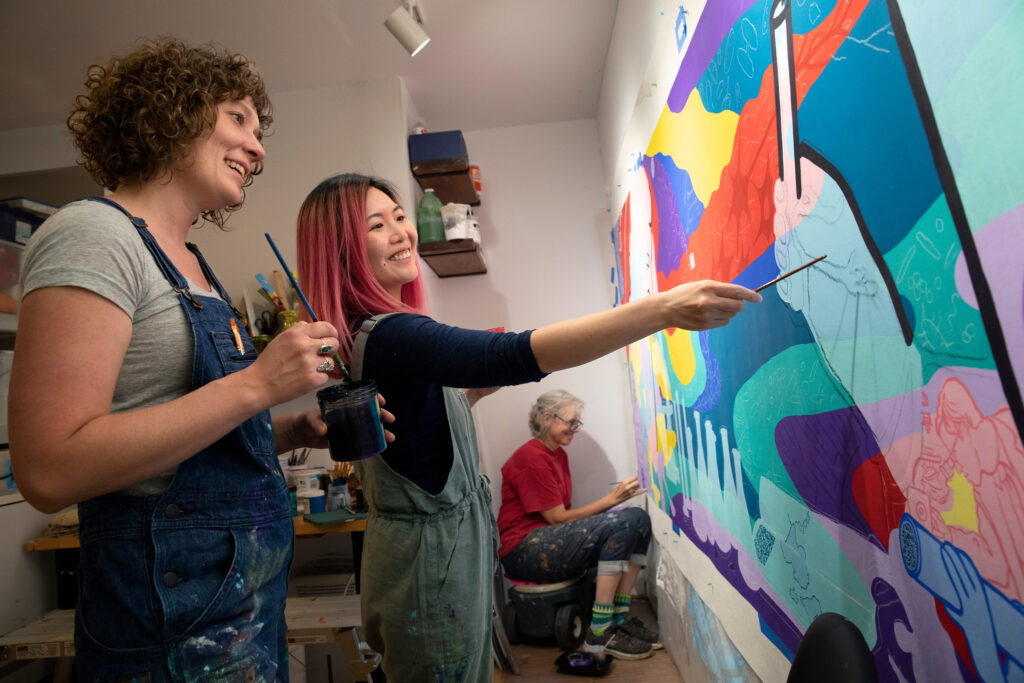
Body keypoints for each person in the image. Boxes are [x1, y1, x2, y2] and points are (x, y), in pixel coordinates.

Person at [7, 39, 379, 681]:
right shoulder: (93, 235)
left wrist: (287, 428)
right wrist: (257, 386)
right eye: (239, 119)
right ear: (170, 115)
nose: (258, 149)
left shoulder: (193, 264)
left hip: (243, 613)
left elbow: (178, 428)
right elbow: (48, 468)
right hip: (167, 629)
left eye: (258, 132)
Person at [296, 173, 762, 682]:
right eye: (376, 225)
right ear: (341, 251)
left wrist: (473, 390)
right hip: (428, 569)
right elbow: (515, 353)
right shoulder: (393, 335)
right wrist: (662, 308)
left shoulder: (377, 336)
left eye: (400, 216)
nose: (401, 232)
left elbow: (419, 427)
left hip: (435, 560)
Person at [497, 390, 659, 660]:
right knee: (623, 522)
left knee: (639, 519)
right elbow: (558, 518)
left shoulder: (558, 455)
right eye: (571, 422)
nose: (575, 429)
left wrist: (615, 506)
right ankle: (600, 631)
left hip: (545, 539)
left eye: (577, 423)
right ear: (547, 418)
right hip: (523, 549)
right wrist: (611, 500)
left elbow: (562, 520)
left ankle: (619, 617)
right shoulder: (531, 457)